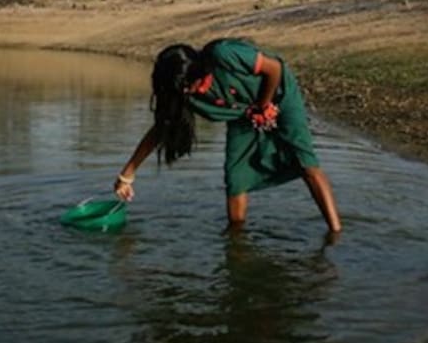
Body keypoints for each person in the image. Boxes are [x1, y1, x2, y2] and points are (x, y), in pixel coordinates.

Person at [114, 39, 342, 233]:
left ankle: (335, 233)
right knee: (235, 180)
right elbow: (159, 130)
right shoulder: (182, 93)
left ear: (197, 72)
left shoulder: (223, 54)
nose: (183, 94)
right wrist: (127, 174)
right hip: (242, 113)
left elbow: (274, 69)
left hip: (279, 94)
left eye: (186, 87)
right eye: (178, 90)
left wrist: (263, 106)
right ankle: (237, 241)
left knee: (306, 163)